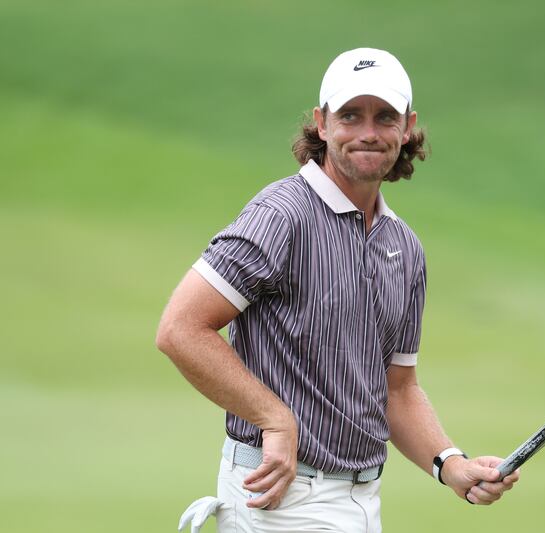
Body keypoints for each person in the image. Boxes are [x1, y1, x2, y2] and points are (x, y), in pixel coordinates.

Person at [156, 47, 520, 533]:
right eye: (350, 116)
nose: (368, 132)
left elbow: (396, 388)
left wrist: (450, 463)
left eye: (384, 117)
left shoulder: (403, 246)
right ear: (322, 124)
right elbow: (180, 329)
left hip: (362, 503)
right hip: (280, 500)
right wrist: (273, 418)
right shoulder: (281, 216)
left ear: (407, 128)